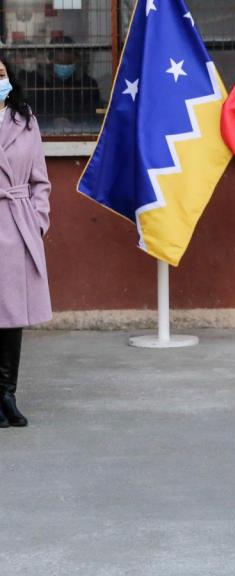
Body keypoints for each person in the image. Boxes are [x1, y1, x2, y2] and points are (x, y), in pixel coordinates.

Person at [0, 54, 53, 428]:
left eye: (0, 73)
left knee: (11, 317)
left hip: (16, 225)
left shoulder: (25, 120)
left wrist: (36, 221)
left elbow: (41, 180)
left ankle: (7, 395)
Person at [30, 36, 102, 133]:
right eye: (59, 62)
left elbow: (95, 116)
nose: (64, 66)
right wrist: (52, 122)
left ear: (76, 60)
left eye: (68, 63)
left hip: (80, 134)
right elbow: (30, 114)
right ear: (50, 59)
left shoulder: (88, 83)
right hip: (46, 135)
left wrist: (77, 124)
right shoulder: (38, 82)